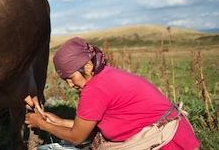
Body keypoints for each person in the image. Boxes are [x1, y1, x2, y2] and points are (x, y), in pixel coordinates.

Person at [25, 37, 200, 149]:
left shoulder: (94, 89)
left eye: (71, 77)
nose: (70, 85)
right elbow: (85, 126)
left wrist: (42, 124)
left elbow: (77, 137)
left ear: (87, 66)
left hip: (165, 142)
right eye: (66, 81)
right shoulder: (106, 75)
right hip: (177, 135)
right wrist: (60, 121)